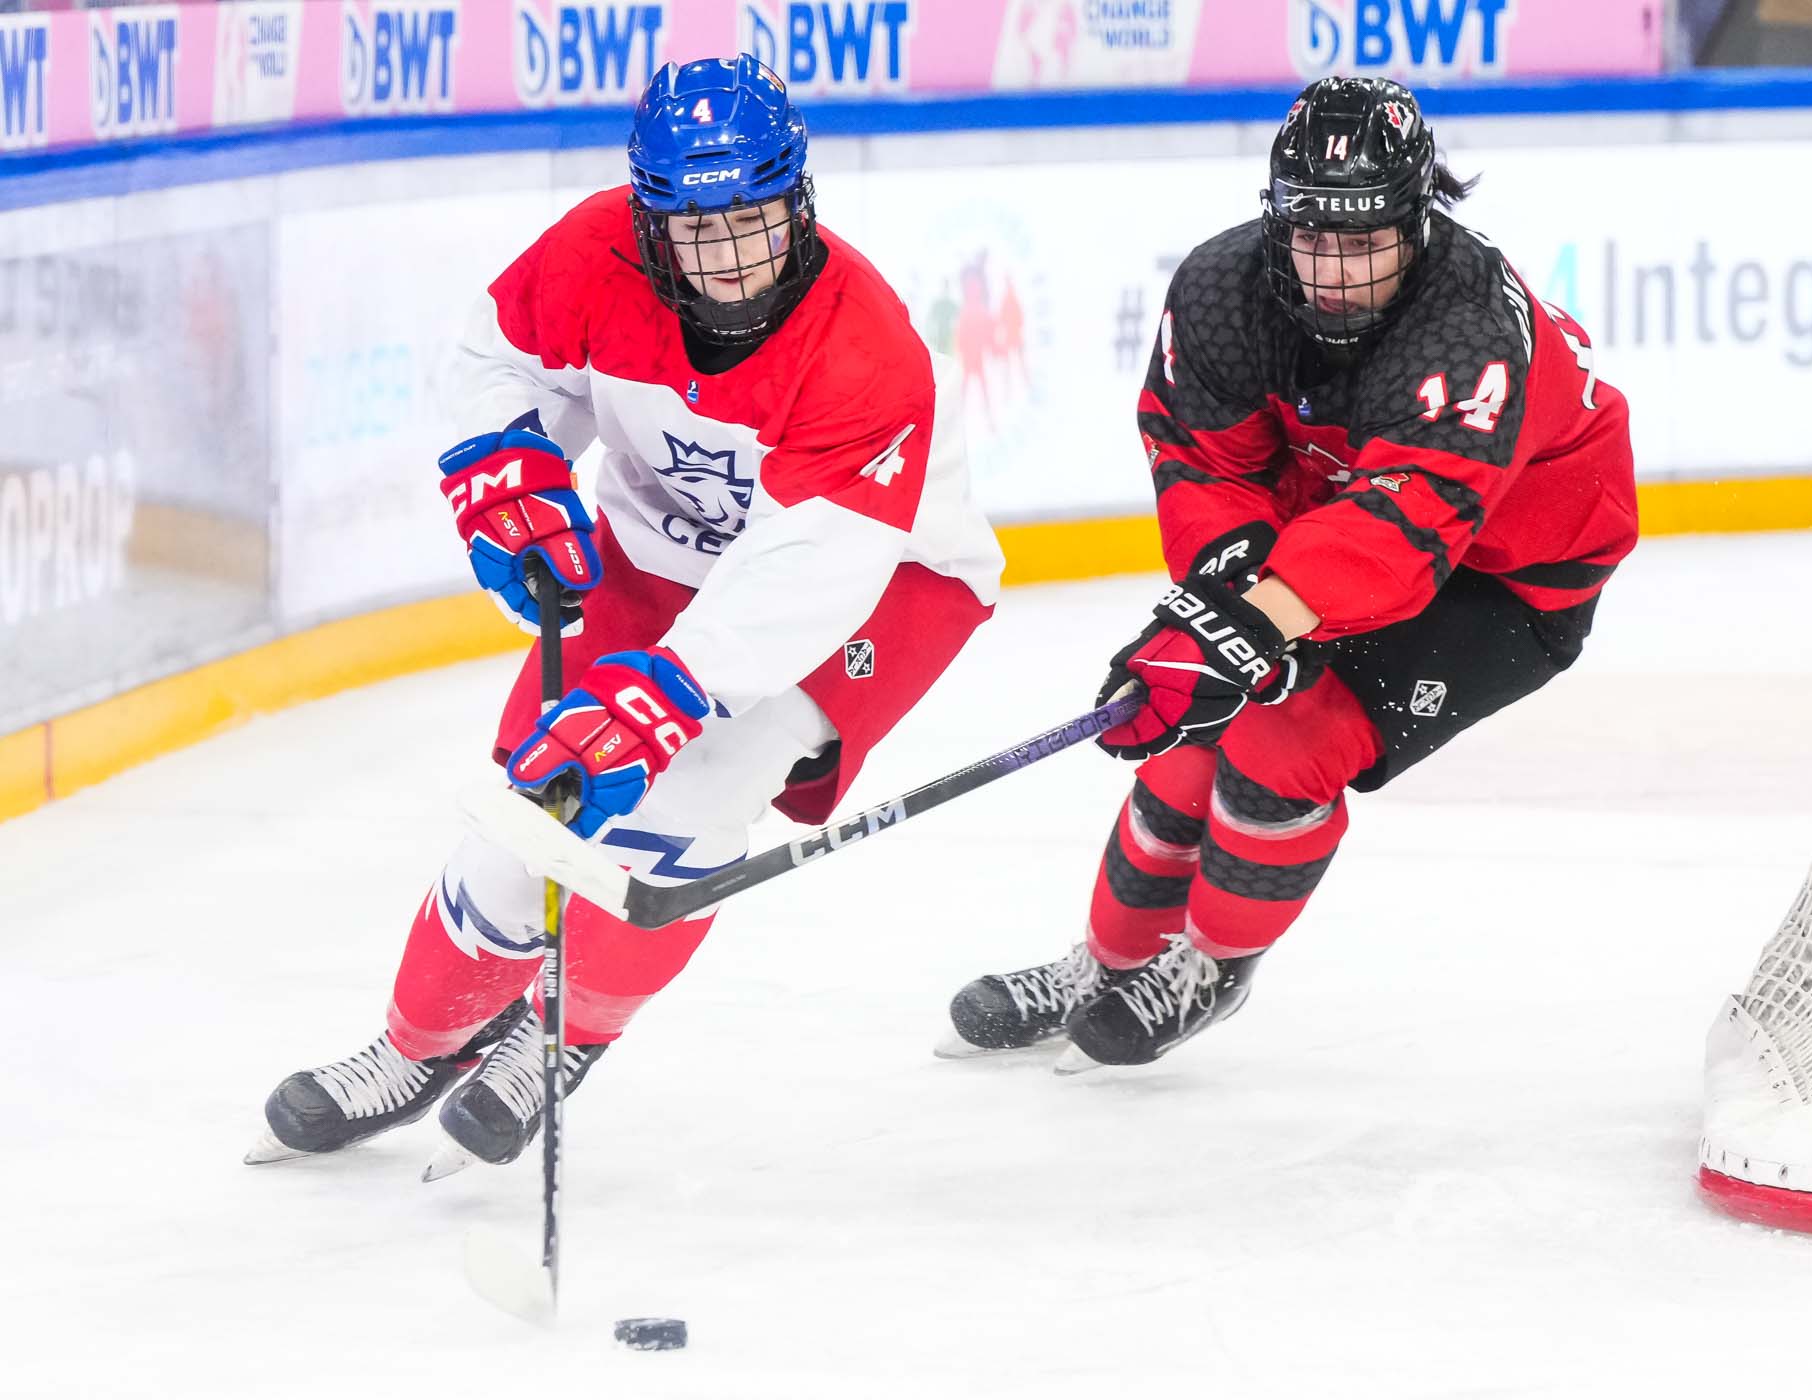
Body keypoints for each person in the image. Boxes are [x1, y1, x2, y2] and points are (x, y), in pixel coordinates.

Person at [248, 55, 1002, 1167]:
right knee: (530, 810)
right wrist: (508, 463)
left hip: (878, 587)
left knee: (688, 801)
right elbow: (504, 362)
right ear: (651, 220)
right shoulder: (594, 249)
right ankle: (417, 1047)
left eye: (753, 218)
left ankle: (563, 1035)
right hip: (657, 555)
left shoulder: (865, 349)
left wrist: (671, 695)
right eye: (697, 228)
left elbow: (809, 570)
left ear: (798, 202)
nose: (731, 257)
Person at [941, 76, 1637, 1073]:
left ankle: (1213, 962)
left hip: (1508, 571)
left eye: (1366, 241)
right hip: (1340, 526)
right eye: (1314, 237)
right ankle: (1104, 963)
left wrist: (1249, 623)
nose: (1336, 272)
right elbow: (1202, 460)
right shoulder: (1223, 292)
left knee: (1282, 741)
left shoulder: (1469, 328)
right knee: (1192, 731)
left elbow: (1406, 525)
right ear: (1277, 222)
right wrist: (1225, 595)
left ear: (1418, 222)